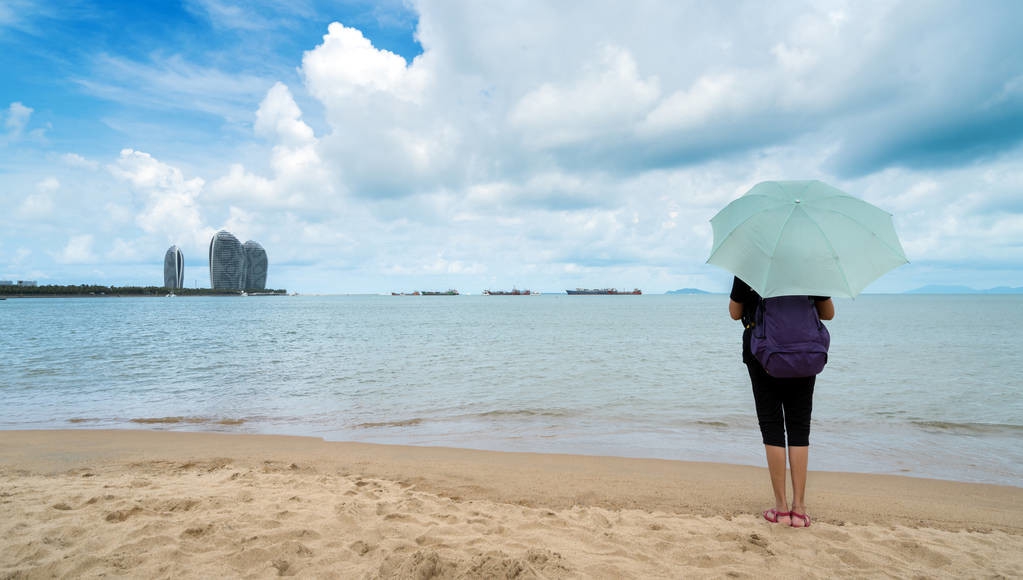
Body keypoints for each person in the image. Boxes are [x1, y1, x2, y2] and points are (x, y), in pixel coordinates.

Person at [729, 277, 834, 529]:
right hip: (804, 353)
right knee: (799, 428)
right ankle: (799, 510)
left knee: (772, 426)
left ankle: (782, 508)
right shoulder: (808, 268)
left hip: (763, 354)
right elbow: (828, 313)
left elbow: (735, 313)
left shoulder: (751, 265)